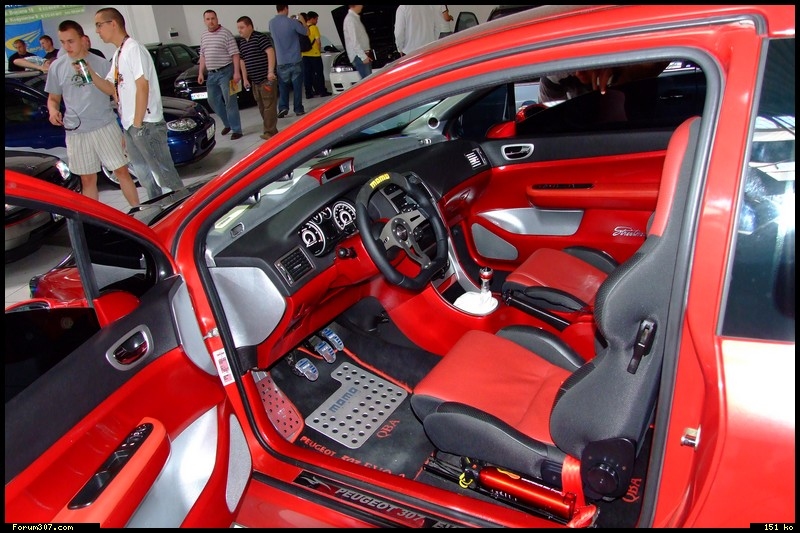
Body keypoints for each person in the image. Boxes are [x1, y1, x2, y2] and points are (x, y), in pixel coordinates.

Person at [88, 7, 185, 201]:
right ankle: (161, 208)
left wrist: (138, 124)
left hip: (146, 123)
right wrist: (89, 71)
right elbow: (110, 87)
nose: (97, 31)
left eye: (99, 25)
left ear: (113, 24)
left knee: (164, 175)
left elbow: (142, 86)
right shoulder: (119, 54)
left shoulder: (134, 49)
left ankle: (183, 207)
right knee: (146, 177)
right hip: (131, 125)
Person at [45, 20, 139, 207]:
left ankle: (138, 212)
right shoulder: (57, 67)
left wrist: (124, 128)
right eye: (62, 42)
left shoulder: (102, 64)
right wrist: (53, 111)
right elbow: (53, 98)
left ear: (82, 39)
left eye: (70, 41)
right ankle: (94, 221)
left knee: (121, 171)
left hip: (104, 125)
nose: (67, 46)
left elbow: (117, 97)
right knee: (87, 179)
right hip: (76, 131)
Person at [197, 10, 244, 140]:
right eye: (208, 19)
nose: (211, 21)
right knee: (212, 101)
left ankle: (237, 129)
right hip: (212, 74)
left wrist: (236, 72)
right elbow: (202, 55)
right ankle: (227, 123)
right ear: (204, 21)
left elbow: (235, 54)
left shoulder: (226, 33)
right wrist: (200, 72)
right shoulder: (204, 35)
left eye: (213, 18)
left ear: (217, 19)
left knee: (230, 102)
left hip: (226, 72)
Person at [236, 15, 279, 141]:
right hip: (255, 81)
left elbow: (270, 52)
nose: (239, 30)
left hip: (266, 79)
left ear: (250, 26)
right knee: (261, 107)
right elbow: (242, 61)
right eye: (238, 28)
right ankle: (271, 130)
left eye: (242, 27)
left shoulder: (260, 37)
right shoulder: (242, 42)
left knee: (269, 106)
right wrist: (245, 78)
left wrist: (270, 71)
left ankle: (269, 131)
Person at [540, 62, 671, 103]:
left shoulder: (628, 64)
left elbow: (658, 61)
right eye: (573, 68)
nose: (579, 72)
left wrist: (622, 72)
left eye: (586, 63)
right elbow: (547, 115)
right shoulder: (554, 75)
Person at [269, 5, 308, 118]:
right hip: (295, 59)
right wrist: (302, 21)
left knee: (283, 86)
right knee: (297, 87)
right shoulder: (292, 22)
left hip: (281, 60)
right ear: (286, 8)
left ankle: (283, 107)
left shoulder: (271, 23)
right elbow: (306, 32)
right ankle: (298, 109)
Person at [301, 11, 331, 98]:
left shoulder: (302, 28)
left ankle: (308, 93)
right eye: (316, 19)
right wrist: (319, 50)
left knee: (307, 75)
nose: (317, 21)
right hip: (315, 55)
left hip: (304, 55)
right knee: (319, 74)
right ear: (312, 19)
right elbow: (318, 41)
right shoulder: (314, 28)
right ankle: (322, 91)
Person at [343, 5, 372, 80]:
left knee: (368, 80)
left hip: (361, 55)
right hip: (359, 56)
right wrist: (363, 57)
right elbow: (354, 41)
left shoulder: (354, 18)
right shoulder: (350, 19)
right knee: (367, 81)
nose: (362, 6)